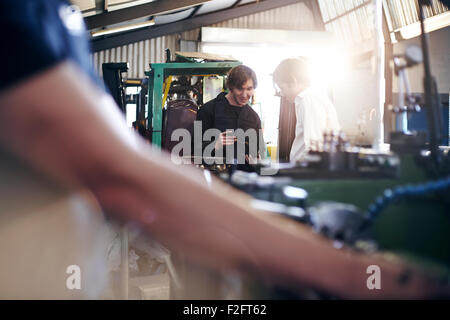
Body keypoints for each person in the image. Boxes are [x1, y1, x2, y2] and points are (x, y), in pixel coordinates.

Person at [0, 0, 447, 299]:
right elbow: (123, 175)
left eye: (255, 91)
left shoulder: (257, 116)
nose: (249, 97)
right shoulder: (19, 17)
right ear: (229, 89)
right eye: (244, 91)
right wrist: (352, 274)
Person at [273, 57, 341, 161]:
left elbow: (312, 145)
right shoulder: (308, 98)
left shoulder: (308, 99)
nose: (282, 93)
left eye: (282, 88)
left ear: (293, 82)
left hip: (308, 170)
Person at [196, 65, 263, 164]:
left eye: (249, 89)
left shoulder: (254, 118)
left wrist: (256, 161)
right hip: (214, 175)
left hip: (243, 177)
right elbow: (193, 149)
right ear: (231, 87)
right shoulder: (207, 111)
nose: (244, 95)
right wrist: (215, 145)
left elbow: (256, 153)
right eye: (240, 89)